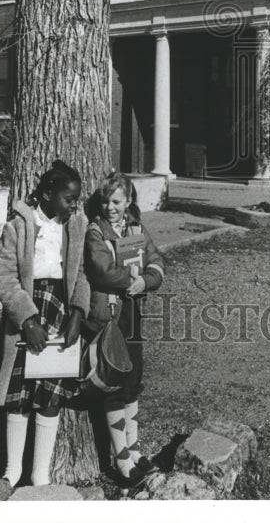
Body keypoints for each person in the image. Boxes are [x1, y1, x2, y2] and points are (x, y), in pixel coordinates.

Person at [0, 159, 90, 487]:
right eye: (68, 199)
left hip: (60, 311)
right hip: (26, 313)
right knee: (21, 396)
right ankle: (13, 470)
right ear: (46, 193)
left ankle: (39, 475)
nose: (74, 205)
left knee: (50, 396)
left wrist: (78, 314)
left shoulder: (76, 225)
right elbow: (4, 276)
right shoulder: (19, 226)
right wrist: (27, 319)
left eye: (76, 199)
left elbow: (81, 273)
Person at [84, 171, 165, 483]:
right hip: (108, 319)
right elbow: (103, 272)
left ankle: (134, 448)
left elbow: (156, 261)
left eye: (116, 201)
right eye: (106, 200)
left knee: (132, 381)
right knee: (114, 383)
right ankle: (122, 462)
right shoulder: (97, 232)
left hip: (132, 315)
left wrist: (146, 279)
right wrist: (133, 277)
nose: (110, 207)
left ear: (129, 200)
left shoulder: (135, 228)